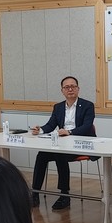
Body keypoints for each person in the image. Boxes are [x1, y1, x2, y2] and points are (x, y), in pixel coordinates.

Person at [30, 76, 96, 211]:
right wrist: (40, 130)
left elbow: (87, 126)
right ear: (62, 91)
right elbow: (50, 125)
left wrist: (69, 132)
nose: (70, 89)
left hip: (81, 144)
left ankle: (64, 195)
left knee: (59, 154)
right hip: (63, 143)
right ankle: (35, 193)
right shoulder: (58, 107)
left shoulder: (88, 105)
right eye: (67, 87)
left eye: (73, 86)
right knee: (42, 155)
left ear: (78, 89)